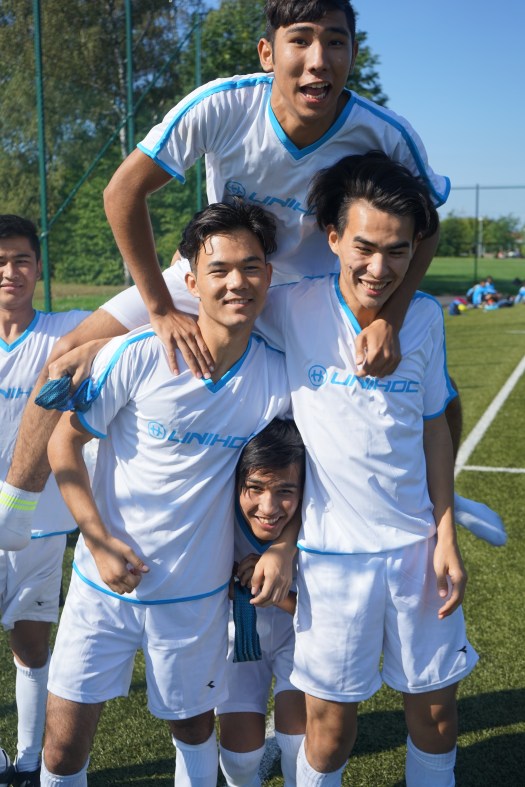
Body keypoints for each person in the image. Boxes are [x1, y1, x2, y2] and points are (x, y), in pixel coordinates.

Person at [0, 0, 450, 529]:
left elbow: (428, 226)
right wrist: (160, 309)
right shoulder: (223, 105)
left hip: (311, 303)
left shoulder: (383, 132)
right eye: (300, 40)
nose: (318, 59)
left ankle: (431, 514)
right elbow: (122, 191)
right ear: (267, 53)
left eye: (335, 41)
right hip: (224, 276)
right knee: (65, 353)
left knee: (430, 392)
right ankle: (15, 511)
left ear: (352, 53)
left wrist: (389, 319)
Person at [39, 201, 293, 787]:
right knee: (63, 749)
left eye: (251, 267)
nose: (236, 282)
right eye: (219, 269)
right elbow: (63, 445)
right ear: (191, 283)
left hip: (194, 597)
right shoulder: (139, 354)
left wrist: (283, 547)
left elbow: (304, 479)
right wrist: (98, 542)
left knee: (194, 732)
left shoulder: (279, 378)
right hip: (101, 588)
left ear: (269, 276)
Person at [251, 152, 478, 785]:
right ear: (333, 239)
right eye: (365, 248)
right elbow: (210, 296)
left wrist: (446, 536)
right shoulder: (292, 307)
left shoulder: (424, 317)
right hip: (332, 560)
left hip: (416, 551)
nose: (380, 268)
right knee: (329, 728)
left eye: (398, 251)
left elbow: (434, 427)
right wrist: (95, 341)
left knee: (436, 713)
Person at [0, 215, 89, 787]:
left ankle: (30, 760)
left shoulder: (65, 332)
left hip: (41, 520)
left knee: (32, 641)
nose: (10, 272)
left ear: (37, 268)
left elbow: (135, 319)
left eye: (20, 260)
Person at [218, 418, 306, 787]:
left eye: (285, 491)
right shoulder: (216, 515)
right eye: (255, 488)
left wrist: (275, 587)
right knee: (239, 760)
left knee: (299, 744)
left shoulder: (318, 522)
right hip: (237, 639)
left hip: (300, 637)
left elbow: (331, 617)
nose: (268, 508)